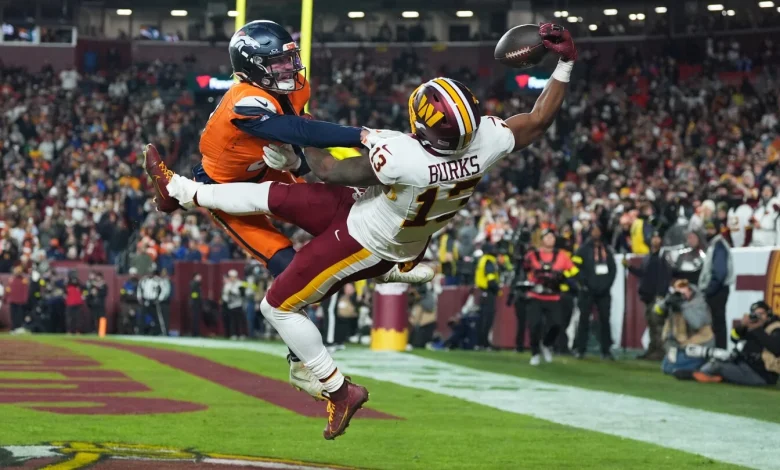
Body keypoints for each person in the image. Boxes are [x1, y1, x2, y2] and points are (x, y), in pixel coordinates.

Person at [150, 21, 576, 440]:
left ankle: (337, 388)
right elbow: (538, 120)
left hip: (365, 240)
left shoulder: (403, 156)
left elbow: (331, 169)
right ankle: (180, 190)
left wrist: (325, 151)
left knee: (277, 306)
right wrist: (565, 63)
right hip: (381, 220)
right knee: (268, 197)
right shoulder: (488, 142)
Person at [142, 19, 422, 398]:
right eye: (277, 63)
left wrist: (298, 165)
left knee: (343, 222)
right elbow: (301, 132)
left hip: (268, 170)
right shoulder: (245, 100)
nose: (289, 70)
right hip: (226, 190)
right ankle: (300, 363)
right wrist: (362, 135)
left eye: (290, 59)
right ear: (253, 67)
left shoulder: (294, 88)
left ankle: (383, 265)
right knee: (291, 272)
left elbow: (303, 137)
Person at [692, 301, 780, 386]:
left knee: (717, 366)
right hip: (745, 366)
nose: (758, 317)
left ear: (769, 314)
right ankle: (703, 375)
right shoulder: (754, 326)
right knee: (716, 361)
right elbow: (734, 338)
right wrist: (742, 326)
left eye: (761, 313)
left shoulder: (775, 327)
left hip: (763, 375)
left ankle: (694, 375)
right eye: (755, 314)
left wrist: (756, 329)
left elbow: (776, 348)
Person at [524, 228, 579, 365]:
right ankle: (535, 352)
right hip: (536, 295)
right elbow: (524, 270)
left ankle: (547, 344)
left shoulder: (562, 255)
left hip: (553, 296)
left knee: (557, 324)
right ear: (542, 240)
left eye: (552, 237)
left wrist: (563, 278)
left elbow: (573, 271)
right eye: (547, 237)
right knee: (535, 324)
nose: (550, 239)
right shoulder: (532, 255)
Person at [625, 232, 671, 360]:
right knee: (651, 324)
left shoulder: (663, 257)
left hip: (657, 296)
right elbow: (643, 273)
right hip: (648, 296)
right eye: (654, 237)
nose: (655, 240)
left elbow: (665, 278)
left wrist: (661, 295)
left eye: (658, 237)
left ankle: (660, 351)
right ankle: (652, 350)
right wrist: (630, 267)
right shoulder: (648, 257)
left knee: (657, 324)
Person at [572, 224, 616, 359]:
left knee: (605, 320)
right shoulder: (583, 250)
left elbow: (613, 270)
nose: (597, 233)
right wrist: (583, 284)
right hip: (587, 291)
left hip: (604, 291)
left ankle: (606, 350)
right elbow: (574, 268)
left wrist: (606, 285)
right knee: (584, 319)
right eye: (594, 230)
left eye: (598, 230)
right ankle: (580, 349)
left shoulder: (607, 250)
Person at [655, 279, 714, 376]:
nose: (681, 295)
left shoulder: (700, 303)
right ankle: (697, 368)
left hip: (700, 346)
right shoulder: (674, 302)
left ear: (690, 291)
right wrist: (666, 302)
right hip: (682, 346)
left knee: (671, 368)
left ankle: (704, 366)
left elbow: (697, 323)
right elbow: (657, 313)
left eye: (683, 292)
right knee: (666, 366)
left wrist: (682, 306)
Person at [699, 221, 734, 349]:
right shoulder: (716, 245)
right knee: (717, 323)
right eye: (706, 229)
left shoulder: (718, 245)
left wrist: (709, 290)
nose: (708, 232)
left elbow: (720, 273)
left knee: (717, 323)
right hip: (718, 289)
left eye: (711, 229)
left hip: (718, 291)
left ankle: (719, 352)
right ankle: (718, 351)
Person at [474, 244, 500, 350]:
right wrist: (497, 289)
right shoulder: (489, 261)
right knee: (487, 319)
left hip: (482, 292)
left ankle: (480, 342)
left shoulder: (482, 259)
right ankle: (484, 343)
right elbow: (491, 279)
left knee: (483, 318)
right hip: (488, 292)